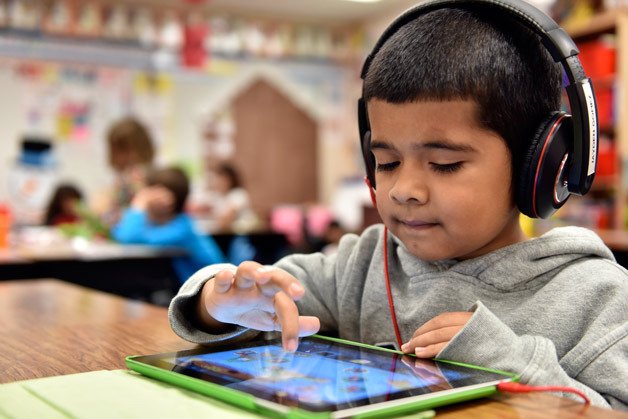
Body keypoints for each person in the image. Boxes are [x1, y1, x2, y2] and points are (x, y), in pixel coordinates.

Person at [167, 1, 627, 410]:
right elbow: (276, 295)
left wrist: (512, 362)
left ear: (541, 166)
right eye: (386, 162)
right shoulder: (362, 264)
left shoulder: (594, 295)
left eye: (444, 164)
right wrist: (218, 303)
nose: (403, 189)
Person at [112, 166, 225, 283]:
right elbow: (119, 234)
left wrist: (139, 204)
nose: (145, 197)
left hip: (216, 287)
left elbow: (129, 238)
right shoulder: (162, 225)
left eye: (149, 194)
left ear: (167, 200)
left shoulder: (182, 228)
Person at [98, 116, 156, 226]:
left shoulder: (135, 176)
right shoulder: (132, 174)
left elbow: (120, 213)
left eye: (117, 151)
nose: (113, 156)